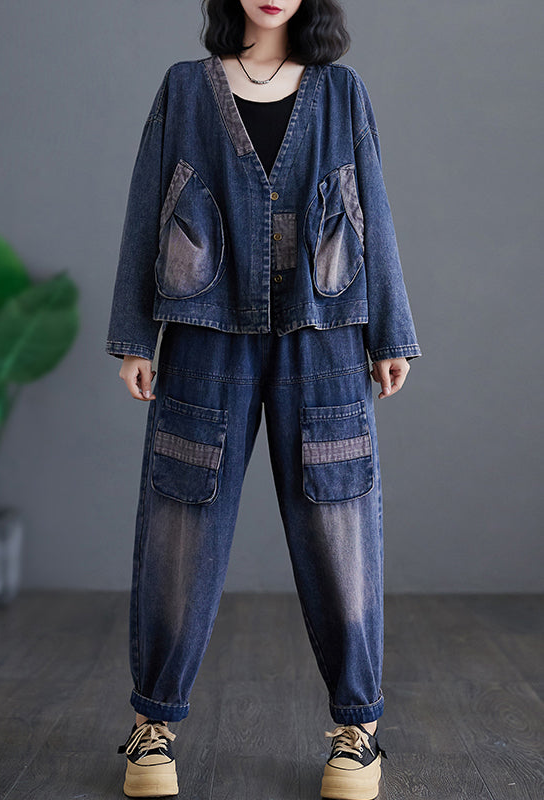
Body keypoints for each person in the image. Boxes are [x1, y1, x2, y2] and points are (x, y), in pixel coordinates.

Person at [106, 1, 422, 798]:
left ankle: (358, 732)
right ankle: (152, 727)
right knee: (180, 530)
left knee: (341, 534)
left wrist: (390, 332)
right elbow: (147, 204)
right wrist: (136, 336)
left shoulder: (342, 92)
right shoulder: (185, 89)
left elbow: (373, 206)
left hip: (325, 340)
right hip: (203, 337)